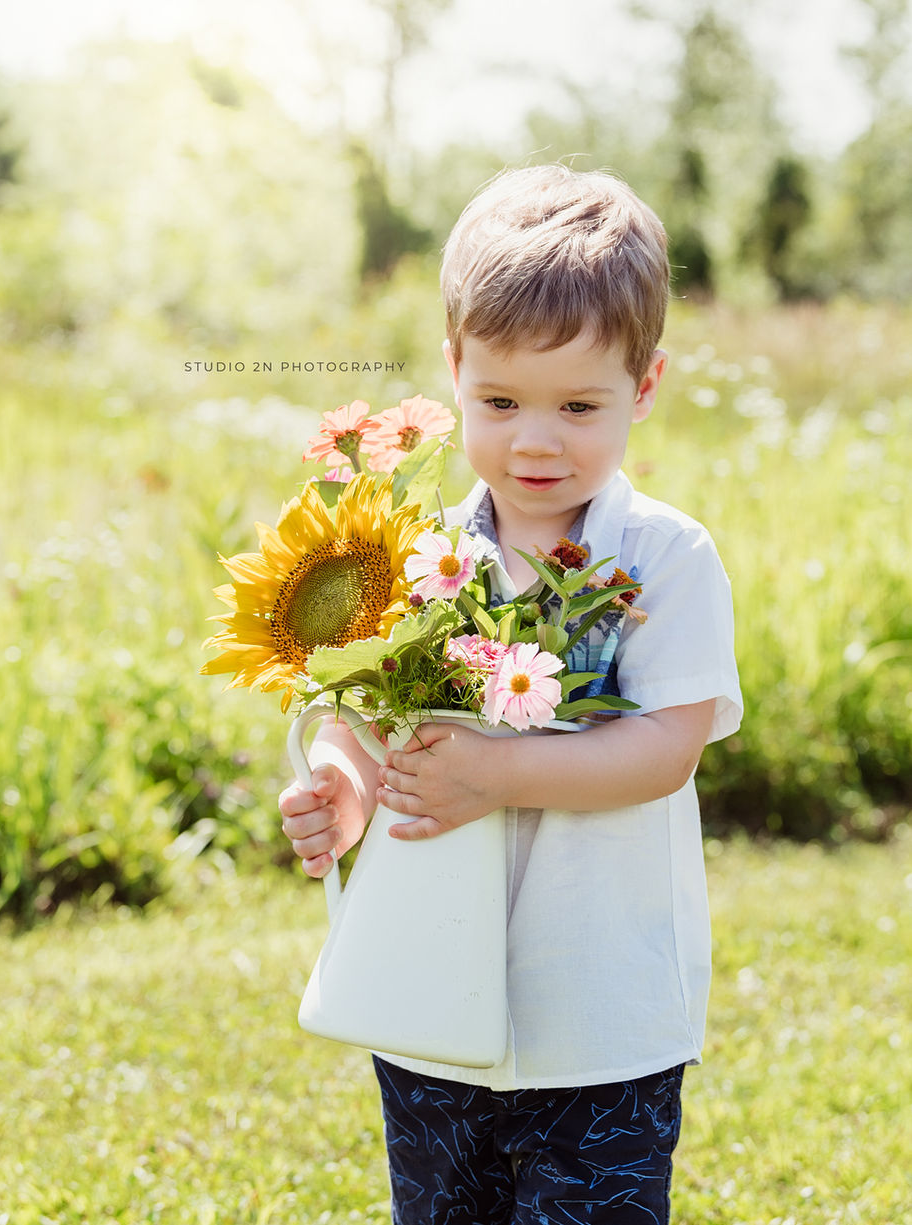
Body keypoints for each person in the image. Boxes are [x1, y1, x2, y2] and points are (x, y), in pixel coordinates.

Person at [278, 163, 742, 1224]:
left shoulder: (660, 558)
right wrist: (344, 792)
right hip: (428, 994)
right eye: (499, 401)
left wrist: (500, 769)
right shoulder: (421, 554)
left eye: (579, 404)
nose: (536, 440)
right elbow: (369, 721)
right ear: (452, 370)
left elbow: (665, 748)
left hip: (598, 1020)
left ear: (647, 385)